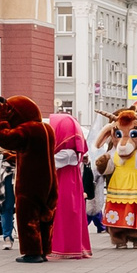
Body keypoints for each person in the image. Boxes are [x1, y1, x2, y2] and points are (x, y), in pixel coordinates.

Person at [0, 96, 55, 262]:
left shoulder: (28, 129)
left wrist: (2, 120)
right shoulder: (46, 128)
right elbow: (30, 150)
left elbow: (4, 138)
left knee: (28, 215)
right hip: (49, 179)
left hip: (30, 180)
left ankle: (32, 252)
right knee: (44, 216)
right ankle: (43, 250)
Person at [96, 109, 137, 248]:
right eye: (118, 134)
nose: (124, 142)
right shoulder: (114, 151)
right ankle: (118, 238)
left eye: (133, 134)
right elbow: (109, 166)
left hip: (136, 185)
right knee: (117, 210)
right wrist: (103, 164)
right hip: (117, 185)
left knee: (134, 211)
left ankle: (136, 236)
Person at [48, 110, 93, 260]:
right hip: (69, 186)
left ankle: (65, 248)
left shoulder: (67, 152)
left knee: (63, 215)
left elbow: (49, 162)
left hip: (65, 186)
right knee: (66, 216)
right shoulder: (71, 151)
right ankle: (67, 246)